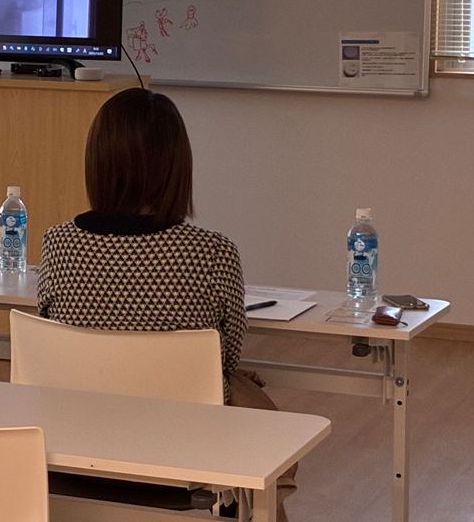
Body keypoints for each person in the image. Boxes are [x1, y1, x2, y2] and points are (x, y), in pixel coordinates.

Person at [37, 86, 295, 519]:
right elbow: (226, 358)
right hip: (183, 457)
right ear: (177, 167)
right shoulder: (212, 252)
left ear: (97, 161)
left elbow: (50, 339)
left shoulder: (58, 244)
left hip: (72, 449)